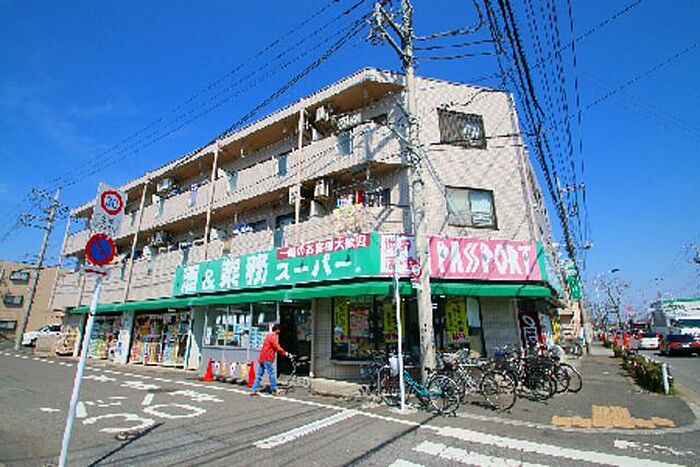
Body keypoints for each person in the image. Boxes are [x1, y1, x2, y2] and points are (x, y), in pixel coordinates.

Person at [250, 324, 289, 396]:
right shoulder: (273, 336)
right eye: (279, 330)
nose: (280, 331)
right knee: (272, 374)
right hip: (268, 357)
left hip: (262, 357)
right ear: (277, 330)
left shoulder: (268, 335)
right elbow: (277, 347)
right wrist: (285, 353)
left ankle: (253, 390)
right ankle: (274, 389)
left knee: (259, 375)